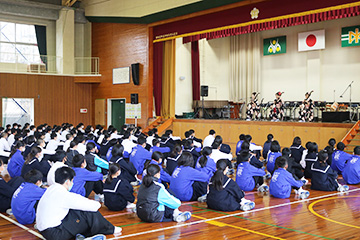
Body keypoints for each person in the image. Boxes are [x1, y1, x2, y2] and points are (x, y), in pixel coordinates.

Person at [36, 166, 121, 240]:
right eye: (72, 181)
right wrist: (97, 204)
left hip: (44, 231)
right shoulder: (63, 195)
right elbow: (93, 206)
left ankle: (86, 234)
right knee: (89, 213)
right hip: (56, 234)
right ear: (67, 182)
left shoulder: (51, 189)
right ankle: (110, 229)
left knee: (77, 210)